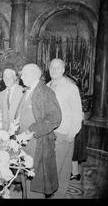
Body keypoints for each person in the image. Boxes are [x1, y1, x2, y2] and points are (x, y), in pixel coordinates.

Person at [14, 63, 62, 198]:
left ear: (33, 75)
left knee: (36, 187)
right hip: (25, 146)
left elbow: (55, 117)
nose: (21, 77)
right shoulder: (29, 90)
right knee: (26, 184)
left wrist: (32, 131)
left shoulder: (45, 92)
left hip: (37, 144)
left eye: (23, 74)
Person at [46, 58, 83, 198]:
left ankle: (59, 195)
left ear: (63, 70)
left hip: (63, 132)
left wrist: (72, 133)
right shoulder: (47, 86)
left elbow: (76, 112)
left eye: (57, 68)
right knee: (51, 167)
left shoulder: (70, 87)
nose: (54, 70)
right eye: (51, 67)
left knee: (62, 169)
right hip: (48, 133)